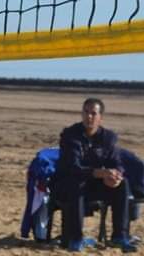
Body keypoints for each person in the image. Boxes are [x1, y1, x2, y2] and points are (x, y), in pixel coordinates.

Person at [54, 98, 137, 253]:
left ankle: (120, 236)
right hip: (68, 185)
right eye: (86, 112)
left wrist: (115, 176)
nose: (89, 116)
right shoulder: (70, 135)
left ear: (100, 117)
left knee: (123, 184)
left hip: (95, 184)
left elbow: (116, 162)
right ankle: (76, 238)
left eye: (93, 113)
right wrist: (100, 173)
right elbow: (73, 168)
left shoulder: (108, 137)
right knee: (76, 184)